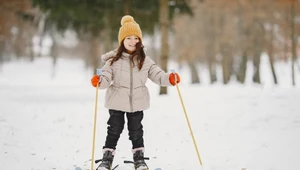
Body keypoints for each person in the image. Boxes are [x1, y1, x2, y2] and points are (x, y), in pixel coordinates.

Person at [90, 15, 181, 170]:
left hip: (138, 101)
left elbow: (158, 75)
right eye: (129, 38)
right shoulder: (112, 61)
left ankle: (139, 159)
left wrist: (169, 79)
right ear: (122, 41)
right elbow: (105, 78)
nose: (133, 42)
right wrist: (99, 81)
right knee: (114, 129)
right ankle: (107, 158)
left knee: (136, 131)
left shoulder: (145, 60)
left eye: (136, 38)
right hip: (117, 101)